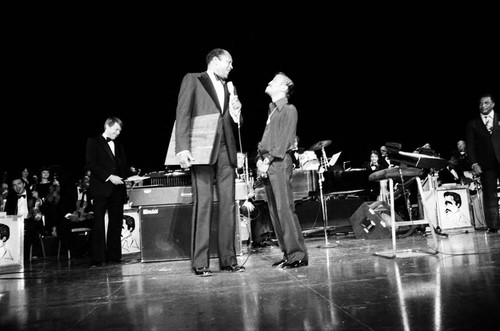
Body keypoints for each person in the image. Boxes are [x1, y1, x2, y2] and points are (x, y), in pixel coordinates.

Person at [174, 48, 244, 277]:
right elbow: (182, 113)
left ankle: (228, 260)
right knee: (203, 204)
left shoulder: (229, 87)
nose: (231, 66)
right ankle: (200, 262)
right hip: (202, 149)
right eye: (229, 62)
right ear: (214, 61)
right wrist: (182, 147)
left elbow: (235, 120)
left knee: (228, 205)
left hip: (226, 150)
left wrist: (237, 113)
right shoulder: (193, 79)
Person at [256, 72, 308, 269]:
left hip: (278, 163)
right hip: (269, 164)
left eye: (274, 80)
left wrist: (267, 159)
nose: (269, 81)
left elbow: (284, 140)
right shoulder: (272, 111)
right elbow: (267, 141)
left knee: (285, 209)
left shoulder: (288, 109)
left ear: (285, 87)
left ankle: (298, 255)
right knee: (275, 211)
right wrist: (260, 160)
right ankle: (288, 253)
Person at [85, 116, 129, 267]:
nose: (118, 133)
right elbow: (92, 164)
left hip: (117, 189)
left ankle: (114, 256)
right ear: (107, 126)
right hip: (101, 188)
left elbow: (122, 166)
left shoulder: (119, 145)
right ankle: (98, 258)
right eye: (116, 129)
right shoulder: (93, 142)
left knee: (116, 222)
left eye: (120, 130)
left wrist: (129, 177)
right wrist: (109, 177)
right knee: (98, 223)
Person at [466, 93, 500, 234]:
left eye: (486, 103)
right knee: (490, 195)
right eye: (481, 103)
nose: (483, 105)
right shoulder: (472, 124)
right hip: (486, 164)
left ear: (492, 104)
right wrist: (474, 164)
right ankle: (493, 226)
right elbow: (470, 145)